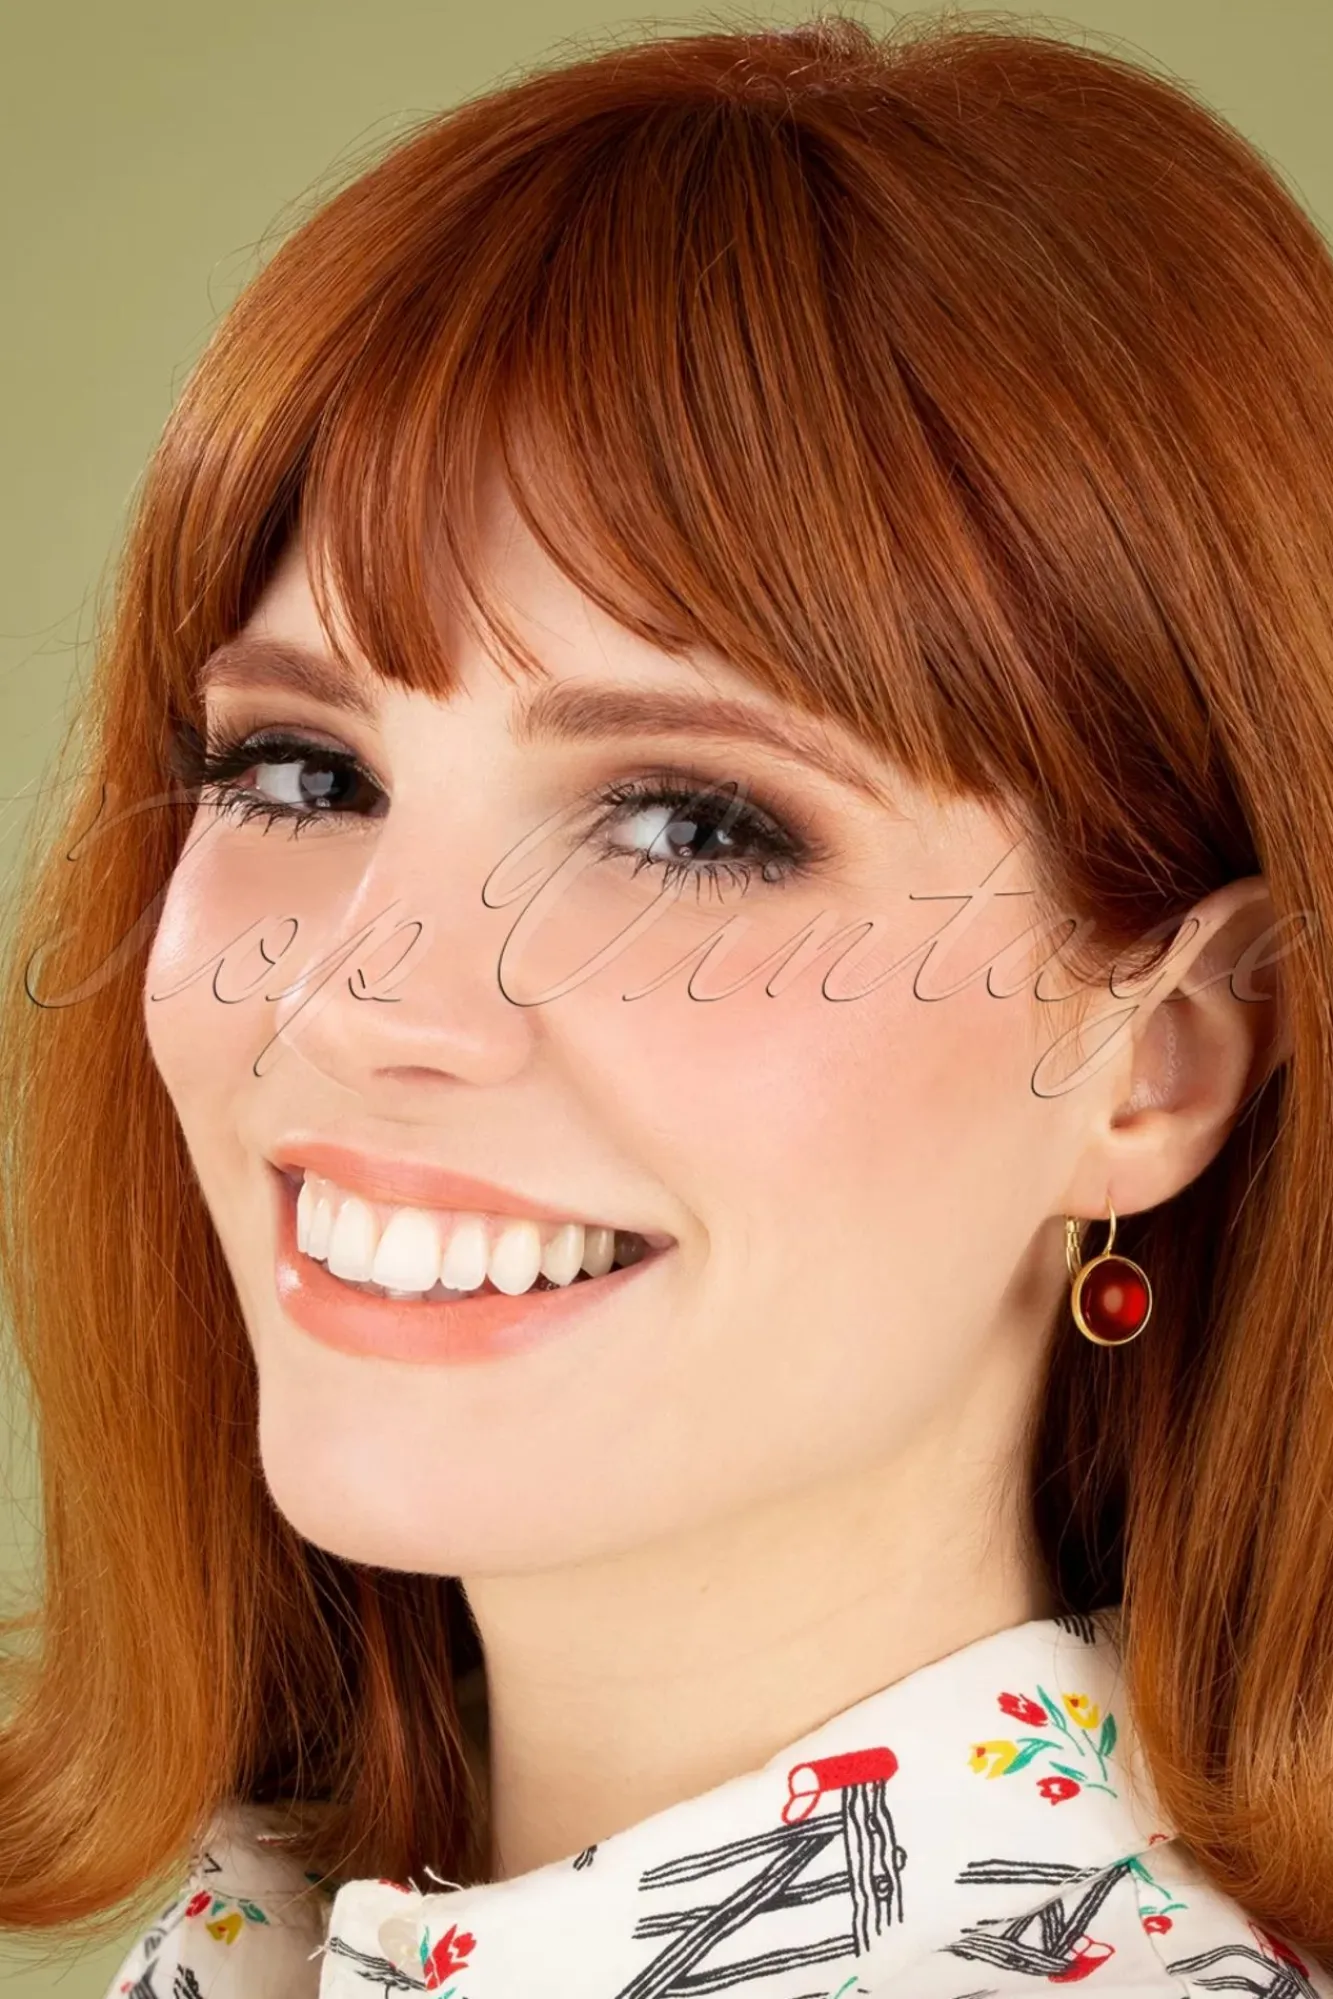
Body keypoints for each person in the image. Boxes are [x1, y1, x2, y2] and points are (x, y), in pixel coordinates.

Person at [3, 12, 1333, 1996]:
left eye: (689, 824)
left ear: (1159, 1057)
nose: (366, 999)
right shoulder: (246, 1934)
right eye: (302, 769)